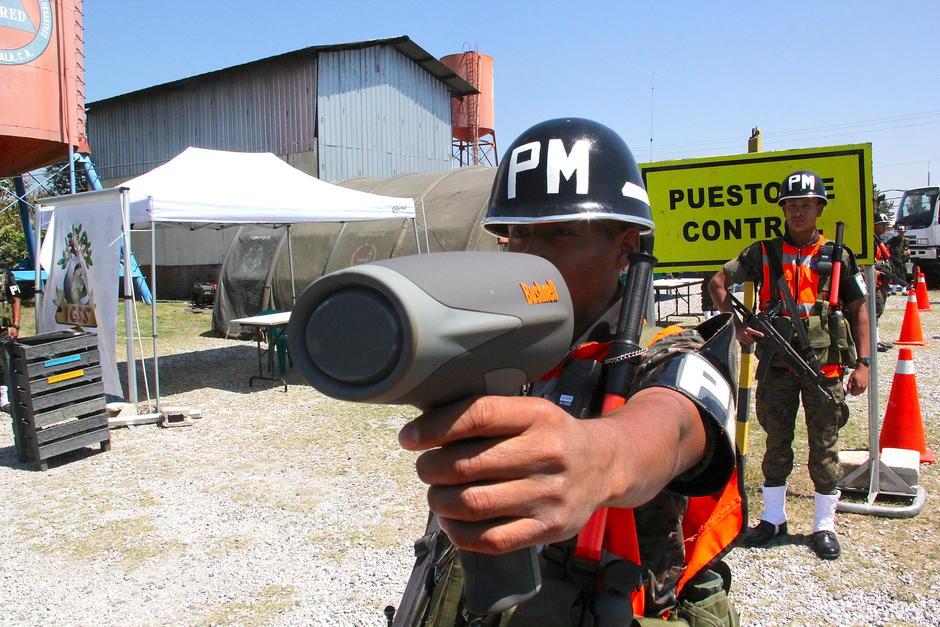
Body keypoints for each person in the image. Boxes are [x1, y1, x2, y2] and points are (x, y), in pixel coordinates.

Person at [397, 118, 743, 625]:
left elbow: (674, 425)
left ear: (624, 246)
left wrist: (598, 458)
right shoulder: (502, 344)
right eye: (517, 235)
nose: (529, 257)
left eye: (560, 233)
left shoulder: (667, 354)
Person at [708, 169, 870, 561]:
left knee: (825, 448)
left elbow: (859, 309)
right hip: (777, 366)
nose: (798, 212)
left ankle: (824, 525)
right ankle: (773, 519)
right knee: (776, 443)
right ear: (783, 210)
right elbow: (716, 283)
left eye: (806, 206)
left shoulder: (838, 256)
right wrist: (737, 324)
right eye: (791, 205)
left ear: (819, 209)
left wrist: (864, 363)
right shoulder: (762, 253)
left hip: (824, 369)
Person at [872, 211, 896, 352]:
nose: (884, 227)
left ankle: (876, 340)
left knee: (878, 312)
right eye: (881, 224)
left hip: (882, 281)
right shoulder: (870, 242)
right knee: (875, 311)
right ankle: (873, 341)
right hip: (874, 282)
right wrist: (881, 266)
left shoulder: (878, 241)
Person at [0, 268, 22, 410]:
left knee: (5, 362)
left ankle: (4, 398)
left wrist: (15, 325)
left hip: (2, 328)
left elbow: (16, 299)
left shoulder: (5, 274)